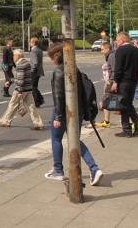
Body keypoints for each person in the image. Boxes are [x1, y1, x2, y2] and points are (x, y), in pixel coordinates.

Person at [44, 42, 103, 186]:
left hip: (64, 112)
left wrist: (58, 116)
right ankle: (94, 168)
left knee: (56, 138)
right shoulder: (74, 68)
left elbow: (58, 95)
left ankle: (58, 170)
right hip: (79, 110)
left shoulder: (59, 71)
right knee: (75, 140)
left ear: (56, 56)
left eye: (51, 56)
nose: (50, 59)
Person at [0, 49, 44, 130]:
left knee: (12, 104)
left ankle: (6, 121)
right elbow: (20, 76)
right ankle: (38, 124)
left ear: (18, 56)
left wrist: (19, 90)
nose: (13, 57)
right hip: (28, 89)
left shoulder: (20, 64)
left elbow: (21, 79)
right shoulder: (27, 63)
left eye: (14, 55)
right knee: (32, 107)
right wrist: (10, 81)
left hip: (21, 89)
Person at [112, 32, 138, 137]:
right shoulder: (137, 51)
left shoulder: (120, 51)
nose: (116, 42)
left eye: (117, 40)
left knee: (123, 105)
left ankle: (127, 130)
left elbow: (118, 68)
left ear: (122, 40)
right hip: (133, 81)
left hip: (123, 81)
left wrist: (115, 81)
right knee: (128, 104)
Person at [95, 41, 115, 129]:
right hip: (108, 81)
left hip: (110, 82)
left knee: (108, 100)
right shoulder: (108, 56)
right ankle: (106, 121)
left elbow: (114, 70)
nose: (101, 51)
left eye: (102, 49)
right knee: (110, 101)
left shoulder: (111, 56)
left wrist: (112, 81)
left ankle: (130, 122)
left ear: (107, 49)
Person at [29, 37, 45, 108]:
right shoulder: (39, 50)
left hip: (35, 71)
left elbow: (35, 62)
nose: (29, 43)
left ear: (33, 43)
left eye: (30, 42)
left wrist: (32, 70)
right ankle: (39, 100)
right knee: (34, 86)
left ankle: (38, 100)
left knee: (33, 86)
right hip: (39, 70)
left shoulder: (33, 51)